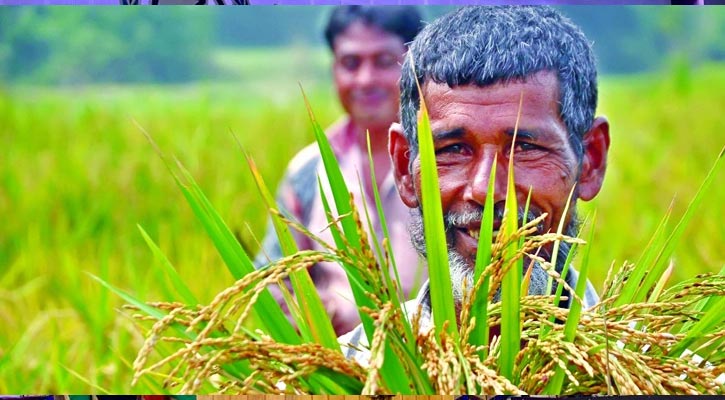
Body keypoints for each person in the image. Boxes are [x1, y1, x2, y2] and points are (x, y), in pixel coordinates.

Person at [340, 6, 610, 362]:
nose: (484, 189)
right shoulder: (347, 376)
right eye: (452, 149)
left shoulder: (670, 380)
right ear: (405, 168)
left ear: (590, 161)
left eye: (525, 148)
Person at [254, 6, 425, 335]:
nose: (365, 79)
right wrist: (319, 313)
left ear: (415, 66)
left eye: (385, 61)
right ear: (334, 68)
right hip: (337, 371)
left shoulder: (448, 162)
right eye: (351, 63)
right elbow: (273, 281)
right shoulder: (308, 170)